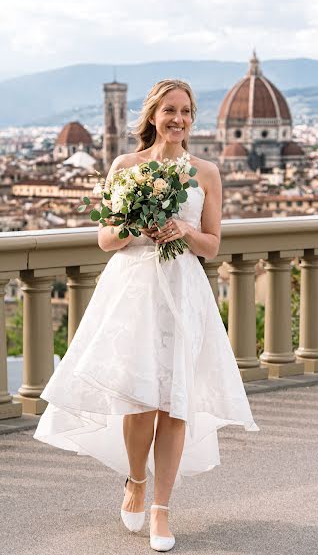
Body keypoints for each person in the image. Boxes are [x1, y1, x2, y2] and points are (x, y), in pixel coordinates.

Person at [33, 79, 259, 552]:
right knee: (139, 402)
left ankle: (162, 508)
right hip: (134, 288)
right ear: (153, 116)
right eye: (169, 110)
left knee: (175, 403)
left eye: (186, 111)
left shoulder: (207, 172)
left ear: (192, 118)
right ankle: (136, 479)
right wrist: (136, 221)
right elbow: (105, 239)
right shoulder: (125, 166)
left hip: (182, 288)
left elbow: (214, 244)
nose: (178, 119)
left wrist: (181, 229)